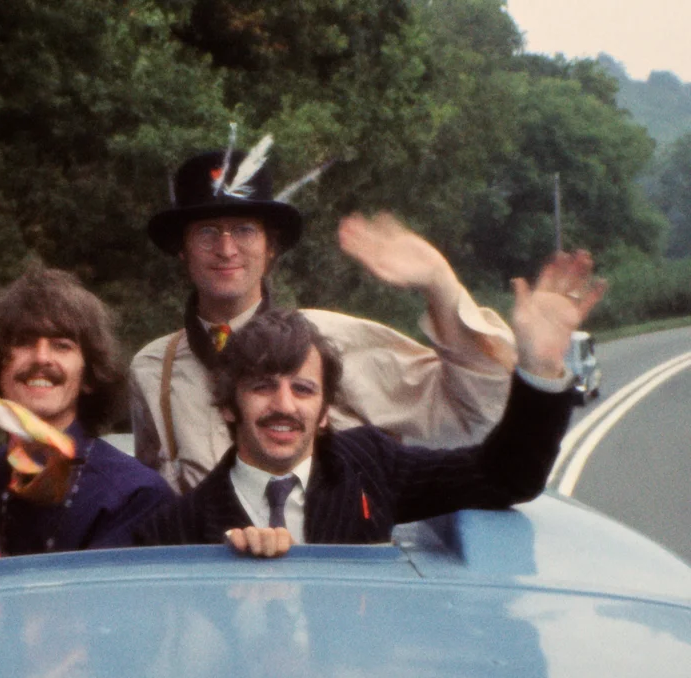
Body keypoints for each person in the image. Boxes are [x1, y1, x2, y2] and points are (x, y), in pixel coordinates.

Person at [133, 249, 604, 554]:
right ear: (229, 406)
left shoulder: (369, 466)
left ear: (323, 413)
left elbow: (505, 477)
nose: (284, 406)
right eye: (262, 387)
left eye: (303, 389)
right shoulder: (178, 526)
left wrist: (540, 370)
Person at [130, 144, 518, 494]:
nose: (226, 249)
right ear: (182, 251)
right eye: (207, 232)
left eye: (245, 230)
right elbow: (153, 503)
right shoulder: (153, 368)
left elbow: (479, 406)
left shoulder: (331, 339)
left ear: (270, 250)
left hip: (327, 567)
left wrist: (439, 284)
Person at [0, 268, 173, 554]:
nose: (41, 357)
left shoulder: (135, 494)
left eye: (61, 346)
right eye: (24, 342)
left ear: (89, 377)